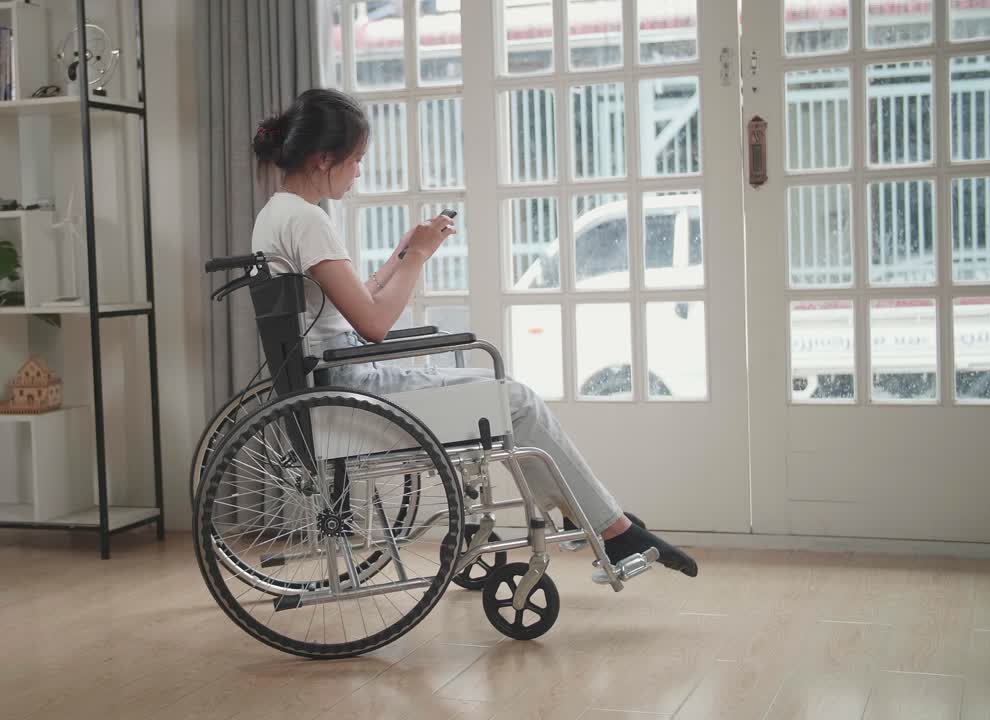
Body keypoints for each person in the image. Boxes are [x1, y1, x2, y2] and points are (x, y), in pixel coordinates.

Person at [249, 88, 698, 578]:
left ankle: (596, 519)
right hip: (353, 389)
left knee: (508, 400)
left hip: (331, 381)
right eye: (356, 161)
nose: (359, 172)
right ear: (323, 160)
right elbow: (373, 323)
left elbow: (356, 300)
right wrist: (417, 258)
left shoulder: (276, 215)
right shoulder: (309, 220)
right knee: (518, 401)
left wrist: (404, 252)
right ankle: (611, 531)